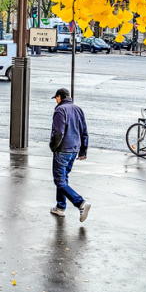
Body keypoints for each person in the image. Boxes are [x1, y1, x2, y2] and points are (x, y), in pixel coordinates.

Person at [48, 88, 90, 222]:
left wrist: (53, 146)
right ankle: (60, 207)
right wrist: (83, 151)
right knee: (63, 179)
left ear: (59, 97)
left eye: (56, 98)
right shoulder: (78, 109)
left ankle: (80, 203)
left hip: (63, 149)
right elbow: (84, 131)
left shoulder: (60, 110)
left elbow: (58, 132)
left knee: (59, 180)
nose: (56, 100)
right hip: (74, 150)